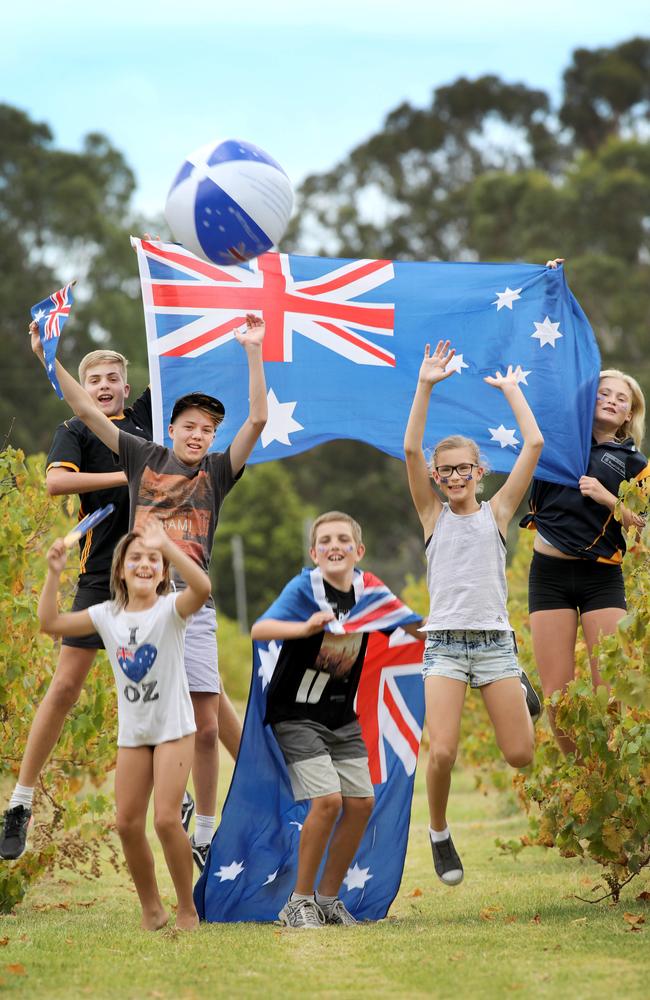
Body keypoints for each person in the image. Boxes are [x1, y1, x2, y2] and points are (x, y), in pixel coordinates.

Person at [26, 314, 267, 871]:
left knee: (208, 721)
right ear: (170, 428)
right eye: (188, 425)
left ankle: (205, 829)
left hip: (193, 605)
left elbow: (256, 417)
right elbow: (86, 409)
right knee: (148, 714)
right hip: (145, 607)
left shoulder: (217, 472)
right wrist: (48, 357)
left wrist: (252, 351)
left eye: (206, 429)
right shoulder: (141, 457)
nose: (196, 434)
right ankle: (166, 808)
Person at [404, 340, 544, 886]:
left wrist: (511, 390)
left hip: (494, 645)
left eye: (464, 469)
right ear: (438, 478)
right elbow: (412, 450)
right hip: (443, 645)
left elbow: (532, 442)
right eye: (447, 471)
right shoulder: (431, 514)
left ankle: (519, 683)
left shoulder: (498, 513)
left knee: (521, 756)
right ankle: (439, 832)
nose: (455, 477)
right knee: (441, 751)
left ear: (479, 471)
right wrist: (425, 385)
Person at [250, 511, 422, 929]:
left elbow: (416, 628)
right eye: (325, 540)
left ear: (358, 551)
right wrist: (304, 626)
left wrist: (463, 632)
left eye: (343, 539)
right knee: (327, 802)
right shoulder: (304, 588)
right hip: (294, 715)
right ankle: (297, 902)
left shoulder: (372, 593)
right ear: (314, 552)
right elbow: (259, 629)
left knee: (361, 803)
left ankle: (327, 901)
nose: (334, 546)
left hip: (340, 717)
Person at [38, 518, 210, 930]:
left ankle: (187, 909)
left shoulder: (172, 610)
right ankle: (152, 908)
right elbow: (51, 624)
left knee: (166, 819)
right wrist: (53, 574)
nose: (145, 565)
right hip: (135, 735)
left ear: (164, 571)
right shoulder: (106, 616)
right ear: (120, 569)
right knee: (127, 823)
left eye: (153, 560)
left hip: (174, 729)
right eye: (136, 558)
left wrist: (166, 546)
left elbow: (202, 589)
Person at [521, 263, 648, 753]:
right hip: (548, 574)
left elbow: (644, 528)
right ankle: (579, 777)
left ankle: (610, 781)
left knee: (609, 691)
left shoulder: (635, 462)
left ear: (629, 414)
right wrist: (550, 292)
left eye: (623, 399)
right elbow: (546, 367)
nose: (612, 400)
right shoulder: (551, 438)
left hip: (602, 576)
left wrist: (608, 499)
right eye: (605, 391)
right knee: (558, 696)